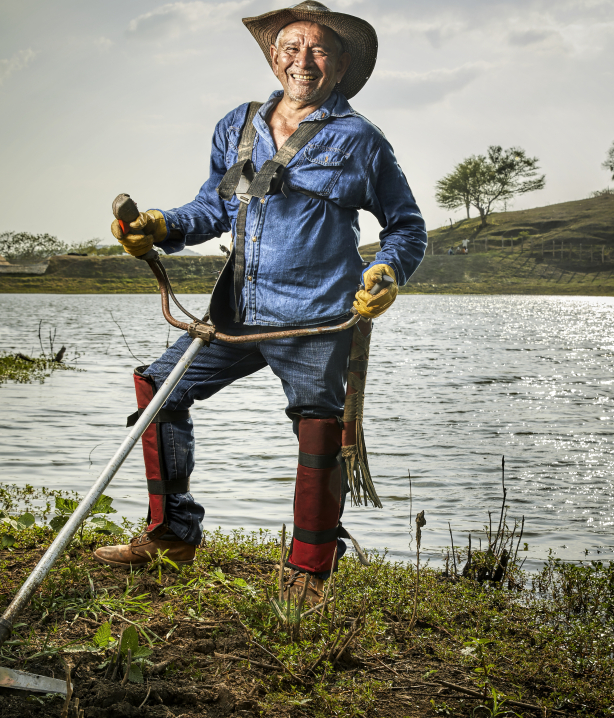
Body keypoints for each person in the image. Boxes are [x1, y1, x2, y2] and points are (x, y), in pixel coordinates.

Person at [98, 1, 426, 607]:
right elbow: (211, 209)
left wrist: (386, 269)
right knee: (158, 388)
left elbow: (407, 226)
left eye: (320, 49)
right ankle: (172, 534)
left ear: (342, 64)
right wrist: (161, 226)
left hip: (319, 316)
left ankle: (309, 572)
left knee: (319, 429)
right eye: (291, 48)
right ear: (274, 57)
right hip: (237, 308)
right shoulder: (238, 125)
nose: (304, 60)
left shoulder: (360, 140)